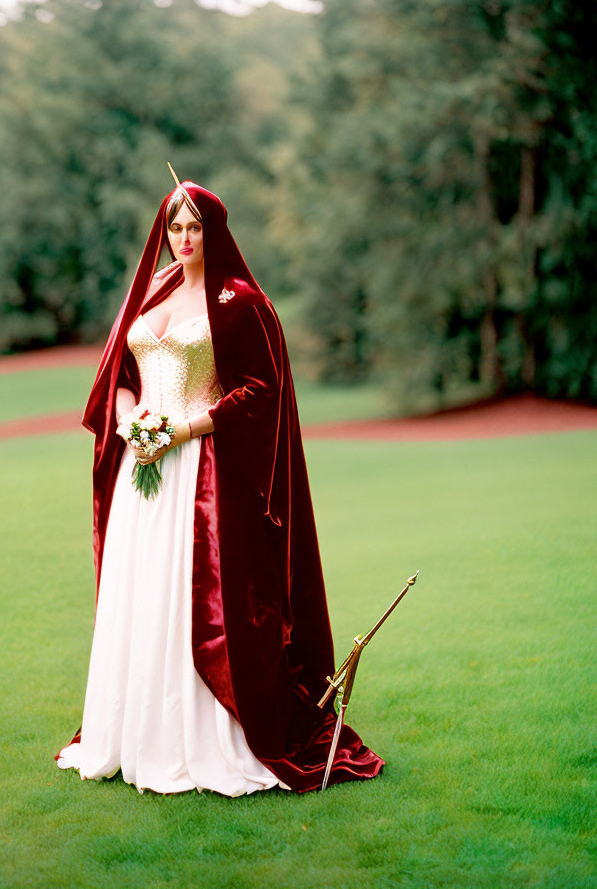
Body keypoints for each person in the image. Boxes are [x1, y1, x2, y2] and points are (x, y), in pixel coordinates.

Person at [55, 173, 385, 795]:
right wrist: (132, 424)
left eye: (194, 227)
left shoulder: (239, 302)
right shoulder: (151, 294)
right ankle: (134, 735)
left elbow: (261, 390)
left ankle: (202, 736)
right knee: (141, 593)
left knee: (193, 601)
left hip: (198, 478)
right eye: (174, 227)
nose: (183, 238)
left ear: (214, 230)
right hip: (142, 468)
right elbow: (121, 375)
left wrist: (180, 431)